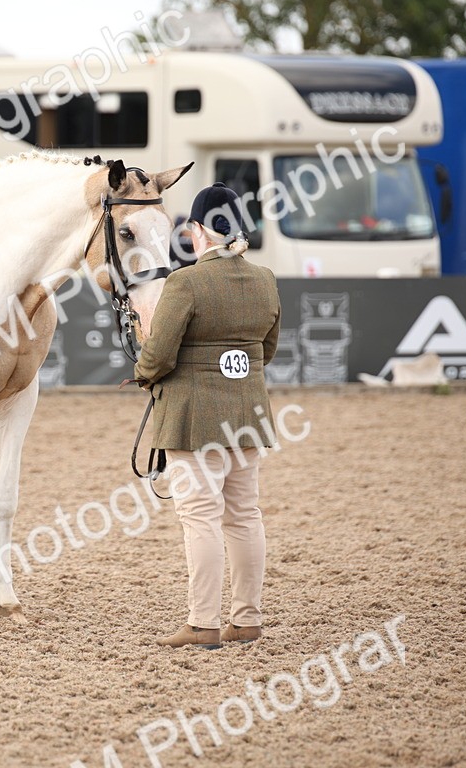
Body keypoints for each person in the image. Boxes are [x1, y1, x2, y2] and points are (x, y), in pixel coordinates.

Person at [133, 182, 281, 650]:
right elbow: (267, 350)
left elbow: (158, 355)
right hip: (248, 413)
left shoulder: (186, 282)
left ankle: (202, 623)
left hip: (195, 418)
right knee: (244, 515)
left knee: (199, 516)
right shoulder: (265, 280)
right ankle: (247, 619)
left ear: (199, 231)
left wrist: (143, 370)